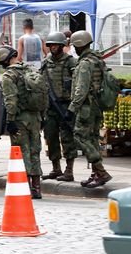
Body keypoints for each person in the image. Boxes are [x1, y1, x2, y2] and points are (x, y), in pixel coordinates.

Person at [0, 46, 44, 199]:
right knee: (35, 151)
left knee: (22, 152)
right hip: (35, 117)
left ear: (5, 61)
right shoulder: (31, 71)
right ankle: (37, 188)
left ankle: (26, 187)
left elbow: (11, 101)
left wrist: (10, 121)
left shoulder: (9, 76)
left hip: (20, 119)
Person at [67, 30, 112, 188]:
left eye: (75, 46)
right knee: (92, 139)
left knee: (81, 137)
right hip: (96, 106)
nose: (74, 49)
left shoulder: (85, 63)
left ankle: (101, 172)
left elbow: (82, 89)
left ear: (79, 45)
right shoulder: (96, 60)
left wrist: (72, 108)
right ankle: (95, 174)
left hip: (87, 107)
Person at [40, 31, 78, 182]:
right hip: (50, 108)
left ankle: (69, 170)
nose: (53, 47)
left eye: (56, 45)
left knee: (67, 139)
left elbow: (78, 83)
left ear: (62, 45)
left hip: (66, 106)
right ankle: (56, 168)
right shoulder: (46, 62)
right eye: (51, 45)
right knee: (50, 138)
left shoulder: (70, 62)